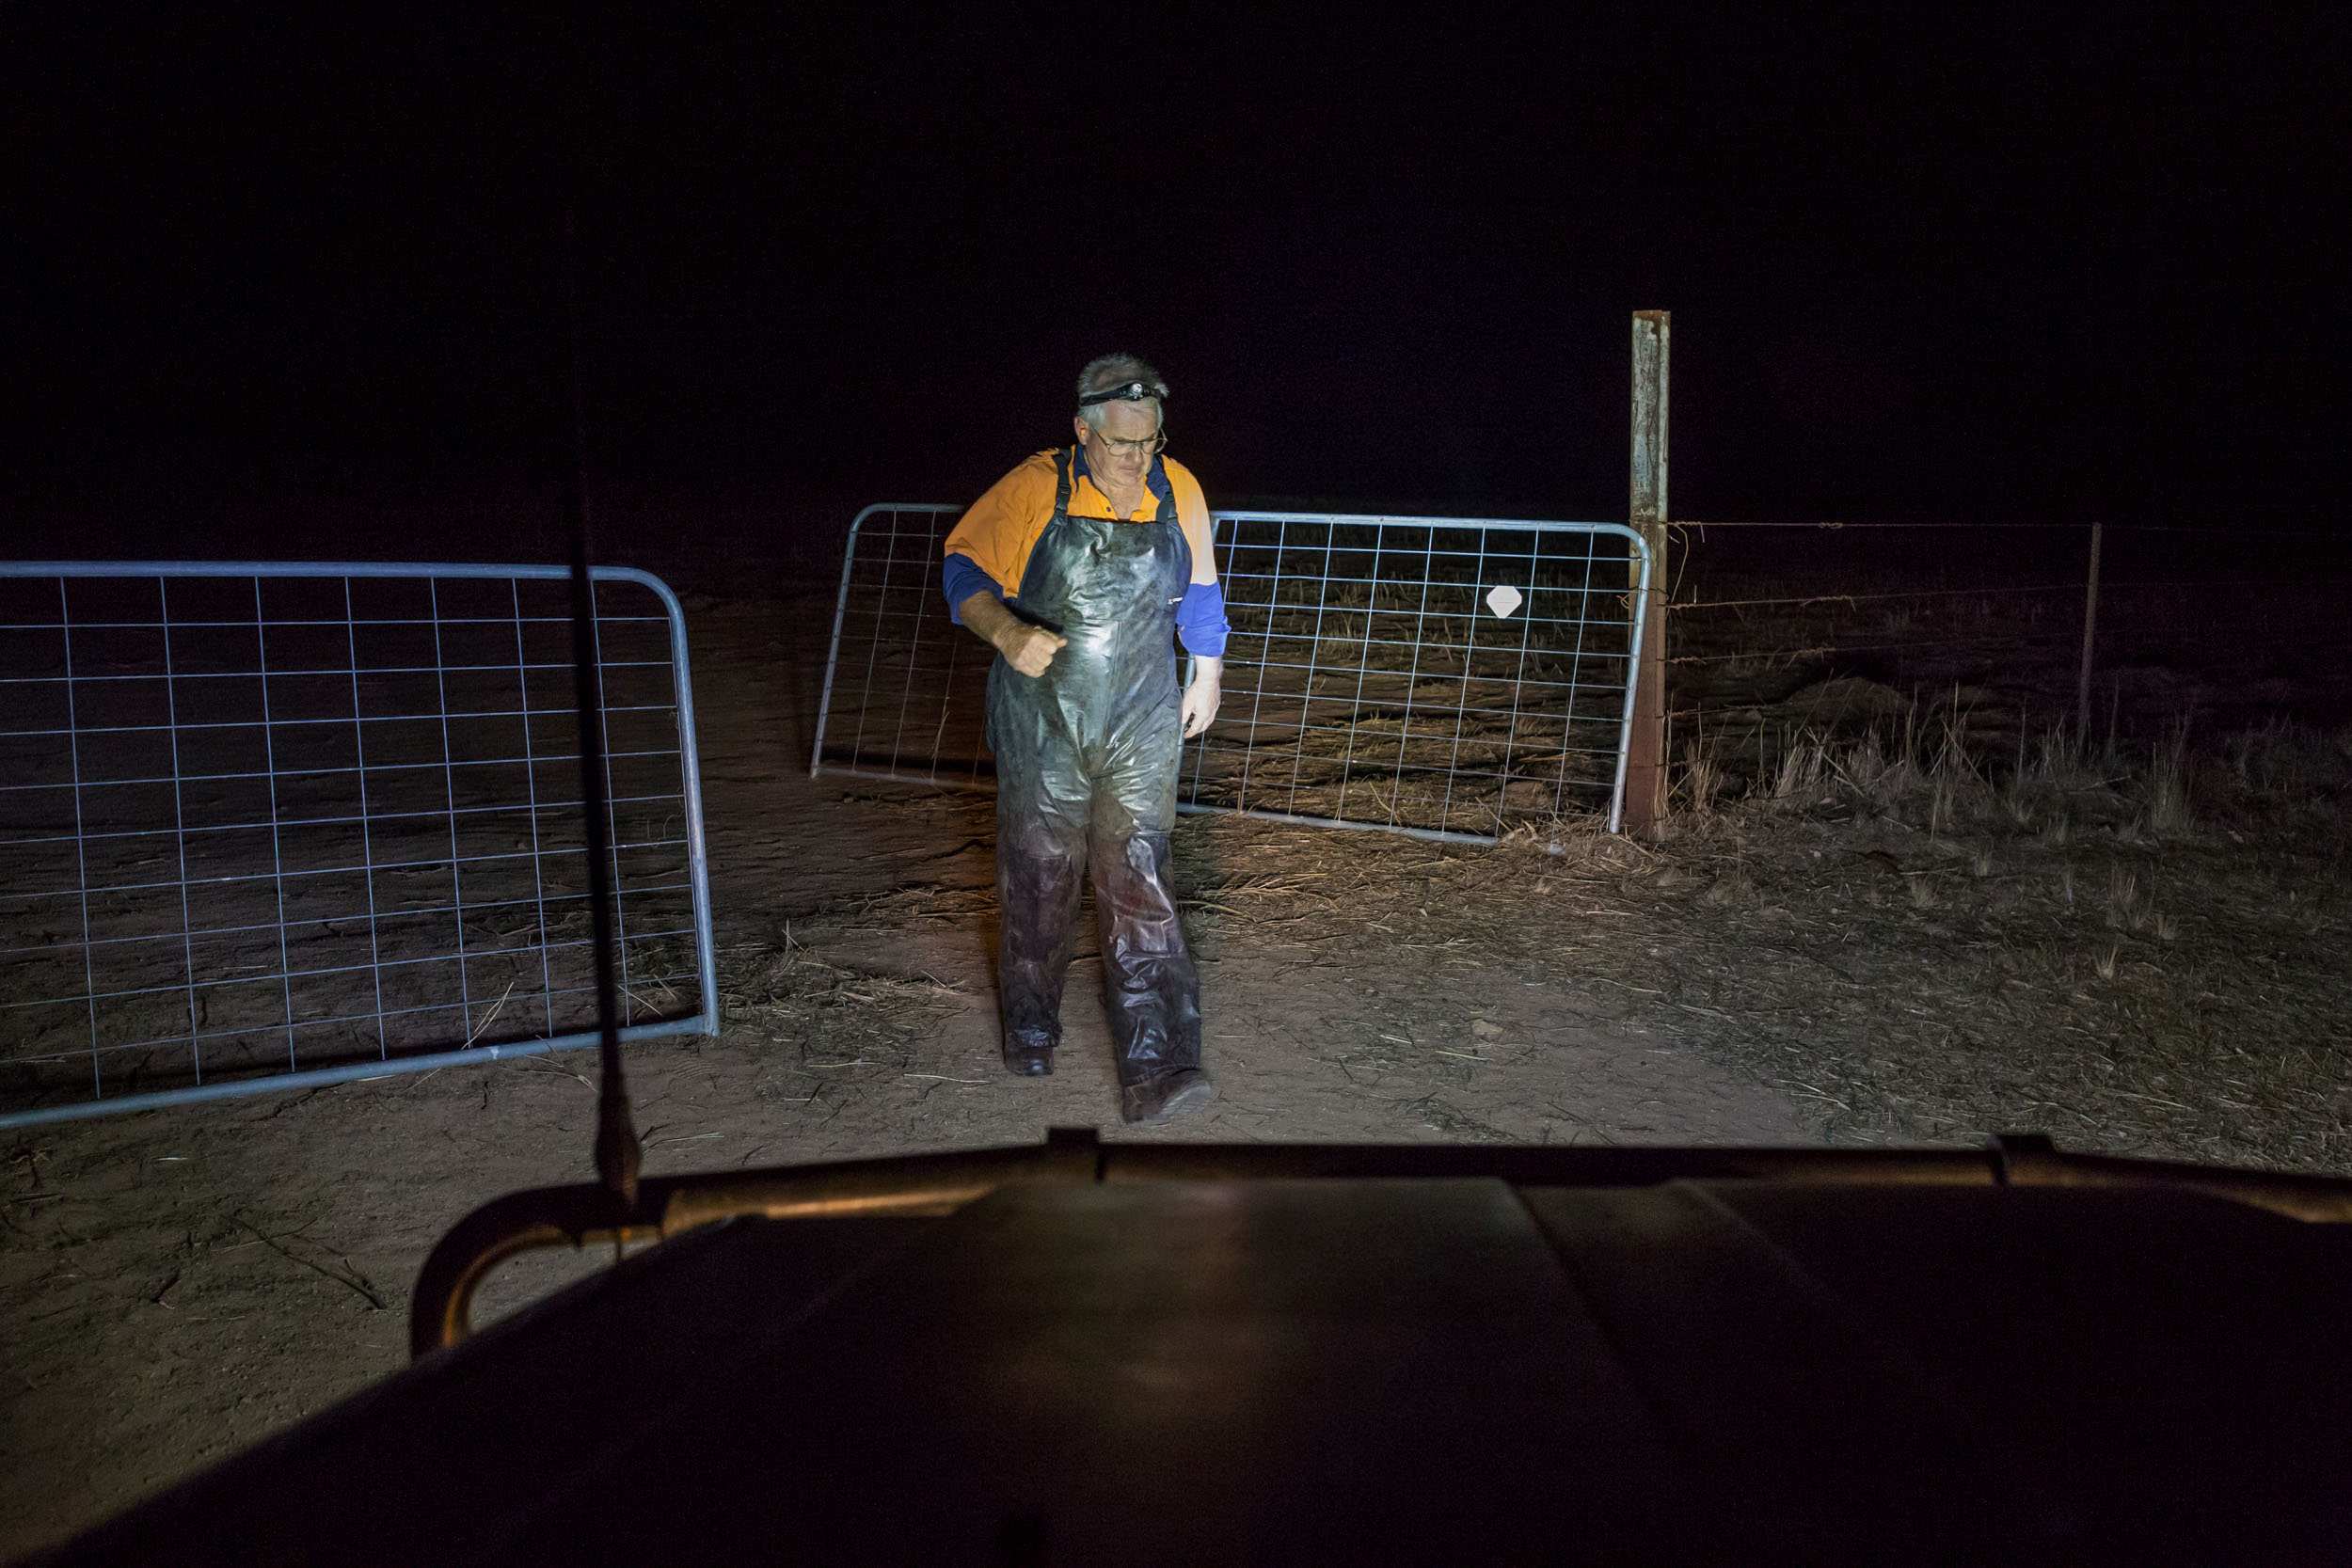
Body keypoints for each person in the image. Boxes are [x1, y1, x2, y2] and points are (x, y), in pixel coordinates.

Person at [941, 355, 1228, 1124]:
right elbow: (962, 567)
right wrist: (1005, 631)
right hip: (1046, 716)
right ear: (1082, 430)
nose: (1137, 458)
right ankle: (1031, 1025)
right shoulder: (1038, 486)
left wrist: (1207, 671)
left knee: (1141, 870)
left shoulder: (1180, 490)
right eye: (1121, 443)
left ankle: (1159, 1062)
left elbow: (1200, 589)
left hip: (1139, 716)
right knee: (1041, 873)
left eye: (1149, 442)